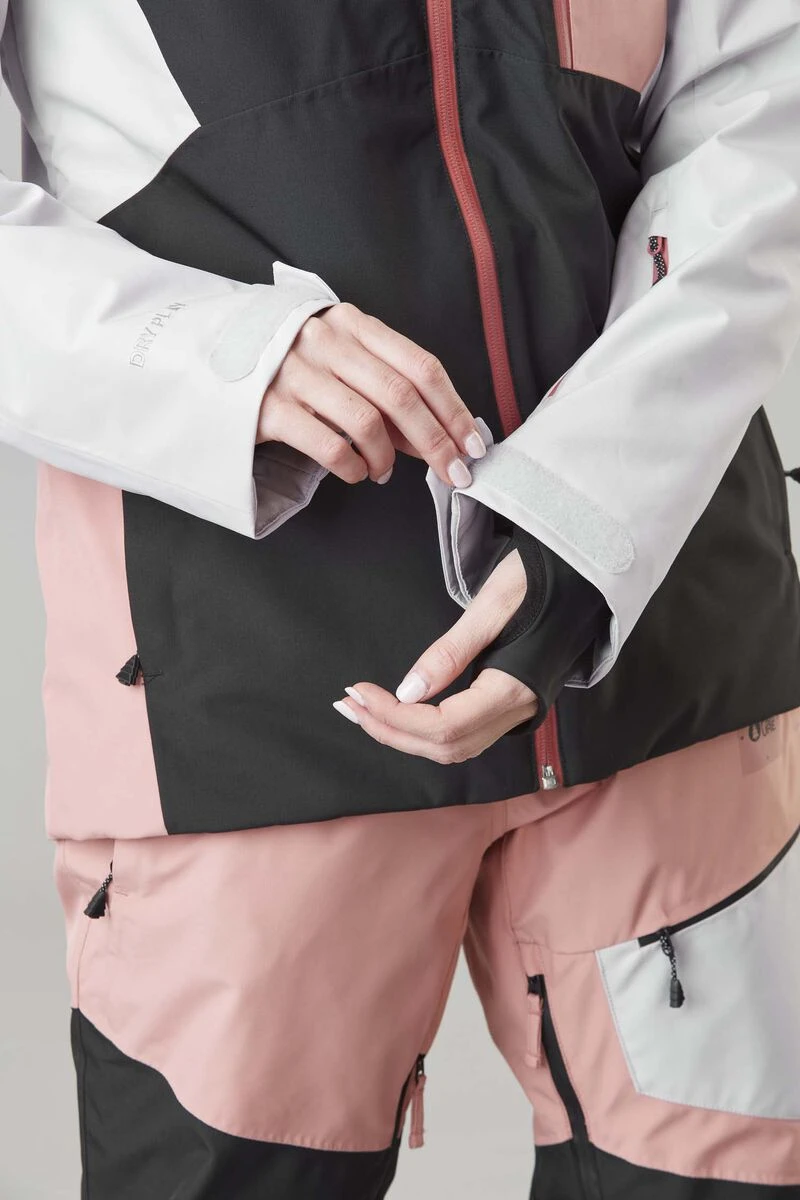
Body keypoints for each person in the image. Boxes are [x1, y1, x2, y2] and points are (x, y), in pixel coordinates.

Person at [2, 0, 800, 1195]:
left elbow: (759, 117)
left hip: (656, 632)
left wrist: (590, 518)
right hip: (249, 695)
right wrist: (222, 358)